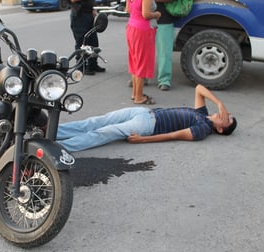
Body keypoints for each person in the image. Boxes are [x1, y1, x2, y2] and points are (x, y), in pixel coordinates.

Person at [57, 84, 237, 152]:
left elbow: (174, 135)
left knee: (102, 132)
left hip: (148, 126)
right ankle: (53, 132)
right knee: (97, 121)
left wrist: (143, 140)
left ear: (221, 129)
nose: (224, 114)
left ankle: (58, 148)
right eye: (227, 113)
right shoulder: (203, 114)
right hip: (143, 112)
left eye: (227, 118)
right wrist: (220, 103)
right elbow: (199, 88)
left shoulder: (202, 129)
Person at [125, 0, 161, 104]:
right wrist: (157, 14)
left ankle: (135, 93)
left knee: (135, 62)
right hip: (143, 31)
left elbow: (128, 9)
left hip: (131, 27)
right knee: (142, 63)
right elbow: (146, 14)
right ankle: (139, 97)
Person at [70, 0, 106, 75]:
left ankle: (92, 65)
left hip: (89, 14)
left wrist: (94, 10)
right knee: (82, 43)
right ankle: (81, 67)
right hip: (79, 15)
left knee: (93, 42)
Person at [155, 0, 175, 91]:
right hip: (144, 20)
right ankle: (142, 77)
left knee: (164, 53)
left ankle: (164, 80)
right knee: (144, 52)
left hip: (164, 20)